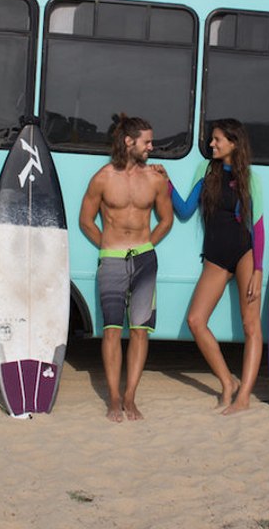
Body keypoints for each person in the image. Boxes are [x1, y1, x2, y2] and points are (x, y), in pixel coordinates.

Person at [159, 118, 264, 415]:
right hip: (216, 256)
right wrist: (166, 181)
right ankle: (227, 382)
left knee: (251, 326)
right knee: (196, 320)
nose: (212, 144)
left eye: (217, 139)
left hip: (244, 254)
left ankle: (244, 397)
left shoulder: (250, 179)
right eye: (213, 139)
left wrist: (258, 270)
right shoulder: (205, 172)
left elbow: (258, 227)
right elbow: (184, 210)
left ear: (233, 143)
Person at [79, 115, 173, 422]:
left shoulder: (155, 179)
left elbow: (167, 219)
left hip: (144, 260)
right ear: (128, 141)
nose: (151, 147)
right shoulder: (103, 178)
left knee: (140, 331)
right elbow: (86, 220)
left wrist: (147, 245)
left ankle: (130, 396)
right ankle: (114, 398)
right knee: (111, 330)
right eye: (147, 142)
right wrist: (108, 246)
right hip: (112, 260)